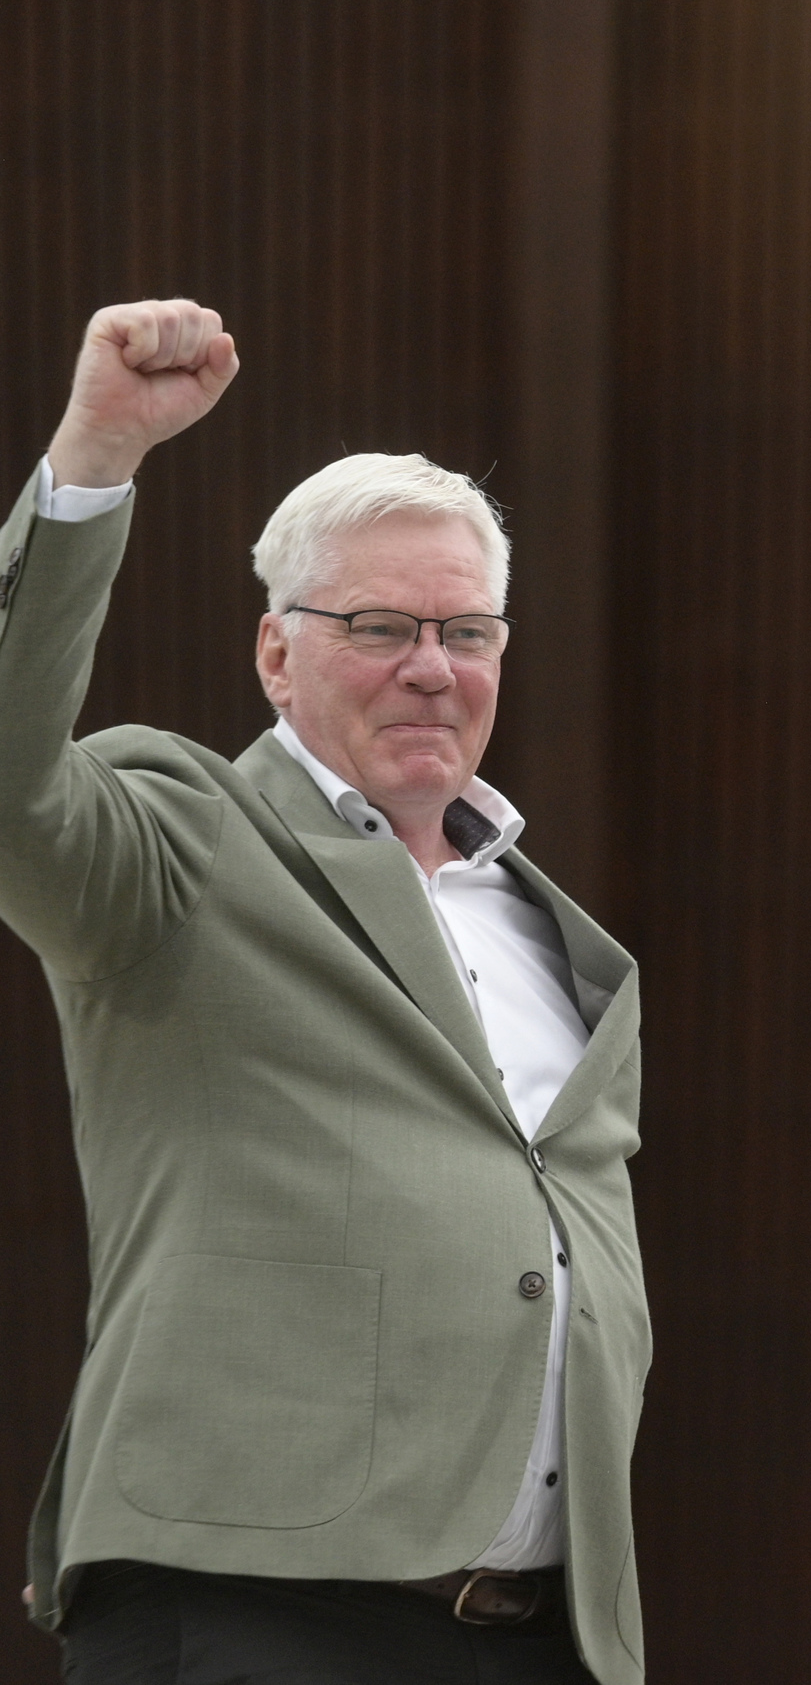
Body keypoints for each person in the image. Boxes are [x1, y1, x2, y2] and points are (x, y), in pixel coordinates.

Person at [1, 302, 650, 1684]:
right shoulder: (180, 841)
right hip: (256, 1602)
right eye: (378, 624)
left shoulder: (561, 941)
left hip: (545, 1626)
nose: (433, 662)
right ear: (275, 653)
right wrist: (95, 456)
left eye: (467, 628)